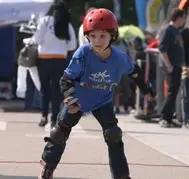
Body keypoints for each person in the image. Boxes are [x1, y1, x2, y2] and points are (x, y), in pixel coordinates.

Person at [38, 8, 152, 179]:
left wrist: (146, 90)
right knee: (60, 133)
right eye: (92, 36)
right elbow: (65, 80)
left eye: (102, 36)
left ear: (112, 36)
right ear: (87, 37)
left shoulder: (120, 58)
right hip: (78, 99)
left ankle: (121, 175)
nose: (97, 41)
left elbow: (135, 72)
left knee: (113, 134)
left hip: (102, 101)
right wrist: (70, 99)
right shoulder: (83, 53)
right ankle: (47, 168)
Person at [33, 2, 77, 128]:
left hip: (44, 60)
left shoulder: (45, 21)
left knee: (44, 89)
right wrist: (61, 47)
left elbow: (37, 40)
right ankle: (54, 119)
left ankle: (43, 116)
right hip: (60, 60)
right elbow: (72, 45)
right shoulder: (66, 24)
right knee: (57, 91)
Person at [158, 8, 189, 128]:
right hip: (170, 66)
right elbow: (162, 49)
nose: (184, 20)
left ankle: (169, 118)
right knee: (171, 92)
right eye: (183, 17)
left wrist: (182, 65)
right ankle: (164, 117)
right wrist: (169, 65)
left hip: (177, 66)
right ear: (178, 18)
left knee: (174, 92)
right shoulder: (167, 30)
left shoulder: (177, 31)